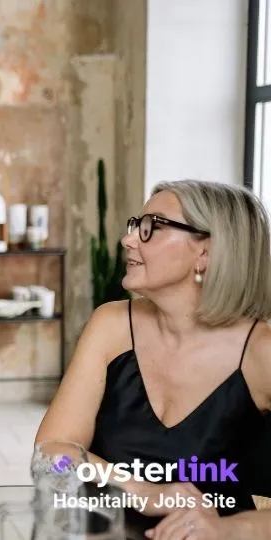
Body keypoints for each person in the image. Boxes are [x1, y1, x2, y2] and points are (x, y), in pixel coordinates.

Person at [35, 179, 271, 539]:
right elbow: (53, 454)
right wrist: (142, 491)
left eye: (152, 228)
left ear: (205, 252)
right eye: (136, 225)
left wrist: (227, 529)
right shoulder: (111, 325)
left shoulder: (262, 352)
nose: (128, 240)